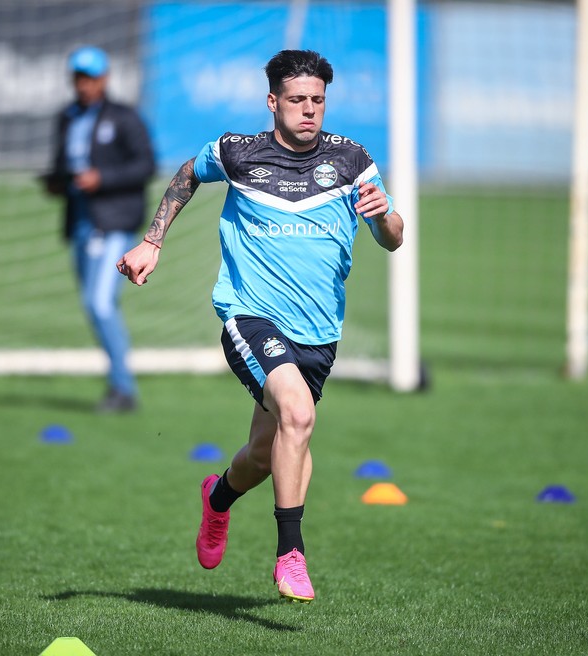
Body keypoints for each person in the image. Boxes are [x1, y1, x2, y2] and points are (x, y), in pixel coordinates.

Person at [117, 50, 404, 603]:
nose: (309, 110)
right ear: (273, 102)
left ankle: (217, 499)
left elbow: (391, 239)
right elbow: (187, 174)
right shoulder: (238, 152)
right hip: (250, 316)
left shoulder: (352, 160)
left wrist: (385, 215)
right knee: (298, 414)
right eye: (297, 100)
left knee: (264, 452)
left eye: (317, 100)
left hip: (318, 334)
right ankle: (291, 554)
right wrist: (152, 240)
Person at [42, 46, 156, 413]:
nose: (84, 84)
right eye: (78, 77)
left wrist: (102, 178)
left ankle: (123, 389)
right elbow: (64, 164)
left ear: (104, 79)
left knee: (100, 302)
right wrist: (57, 182)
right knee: (93, 305)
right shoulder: (67, 117)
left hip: (114, 224)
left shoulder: (124, 118)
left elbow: (146, 165)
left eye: (90, 77)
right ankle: (118, 383)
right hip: (80, 223)